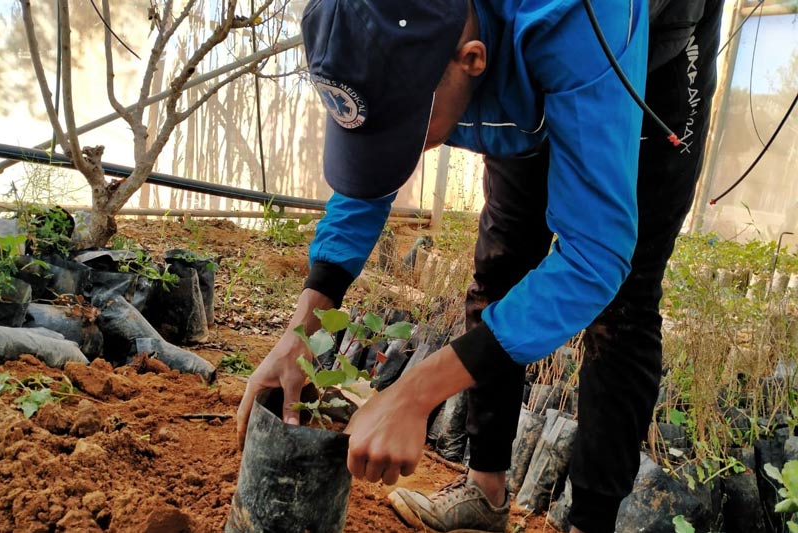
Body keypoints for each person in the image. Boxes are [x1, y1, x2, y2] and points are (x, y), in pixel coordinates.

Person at [236, 0, 723, 530]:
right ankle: (485, 491)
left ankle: (588, 523)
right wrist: (300, 327)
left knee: (623, 304)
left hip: (647, 52)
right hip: (517, 41)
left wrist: (417, 392)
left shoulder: (573, 18)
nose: (398, 149)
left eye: (405, 129)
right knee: (500, 268)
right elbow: (370, 166)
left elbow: (594, 256)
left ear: (471, 59)